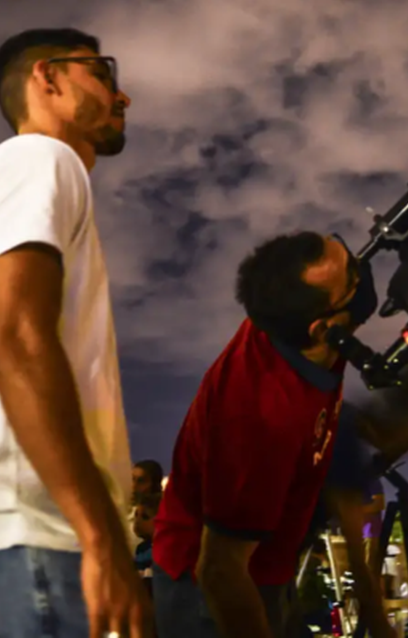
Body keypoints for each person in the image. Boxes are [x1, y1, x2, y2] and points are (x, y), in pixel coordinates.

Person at [0, 27, 151, 638]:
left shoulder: (30, 172)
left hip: (17, 540)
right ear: (47, 78)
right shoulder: (39, 158)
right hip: (34, 538)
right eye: (102, 73)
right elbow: (17, 338)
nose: (122, 95)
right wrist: (99, 537)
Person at [151, 231, 382, 638]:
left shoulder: (291, 324)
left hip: (269, 566)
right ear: (323, 328)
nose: (363, 272)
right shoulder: (257, 419)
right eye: (352, 278)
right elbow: (219, 571)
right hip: (210, 593)